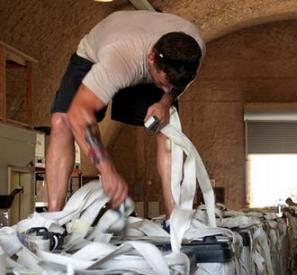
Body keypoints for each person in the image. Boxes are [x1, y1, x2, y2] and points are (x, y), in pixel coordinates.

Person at [46, 11, 205, 219]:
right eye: (165, 84)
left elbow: (175, 85)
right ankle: (52, 218)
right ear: (151, 60)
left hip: (147, 56)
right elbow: (79, 112)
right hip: (98, 56)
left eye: (174, 85)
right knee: (62, 121)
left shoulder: (194, 50)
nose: (168, 88)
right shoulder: (118, 59)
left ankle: (174, 216)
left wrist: (165, 102)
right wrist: (107, 170)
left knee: (167, 127)